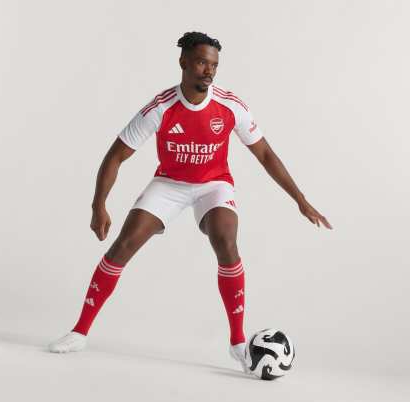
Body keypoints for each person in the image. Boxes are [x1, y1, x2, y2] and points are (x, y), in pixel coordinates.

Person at [48, 31, 332, 373]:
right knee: (124, 244)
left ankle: (237, 342)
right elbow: (115, 156)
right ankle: (79, 332)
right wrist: (99, 205)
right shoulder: (160, 107)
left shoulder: (230, 106)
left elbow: (266, 154)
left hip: (214, 185)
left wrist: (301, 200)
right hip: (169, 184)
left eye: (214, 65)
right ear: (183, 62)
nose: (208, 71)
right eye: (201, 63)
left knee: (226, 240)